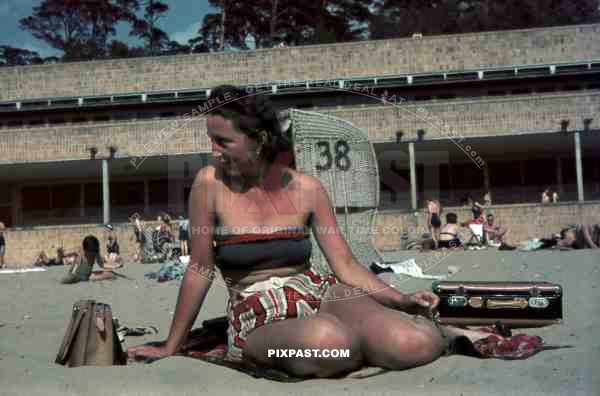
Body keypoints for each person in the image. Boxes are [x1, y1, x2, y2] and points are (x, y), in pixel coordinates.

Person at [127, 85, 515, 378]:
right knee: (331, 345)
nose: (213, 150)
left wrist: (400, 301)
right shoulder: (208, 185)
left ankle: (437, 332)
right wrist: (171, 344)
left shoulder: (307, 188)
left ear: (259, 140)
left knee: (414, 344)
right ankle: (362, 342)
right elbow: (199, 268)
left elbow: (346, 266)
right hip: (257, 313)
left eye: (223, 141)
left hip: (320, 291)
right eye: (211, 140)